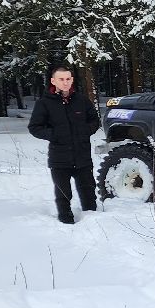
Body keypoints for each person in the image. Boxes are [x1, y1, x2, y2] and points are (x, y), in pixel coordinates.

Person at [27, 64, 100, 224]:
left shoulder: (81, 100)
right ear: (53, 81)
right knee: (63, 194)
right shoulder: (44, 103)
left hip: (82, 157)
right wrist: (54, 135)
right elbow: (34, 127)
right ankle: (66, 224)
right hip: (60, 159)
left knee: (88, 192)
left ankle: (93, 223)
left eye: (68, 79)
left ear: (72, 80)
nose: (65, 82)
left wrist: (85, 131)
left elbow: (95, 120)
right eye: (61, 79)